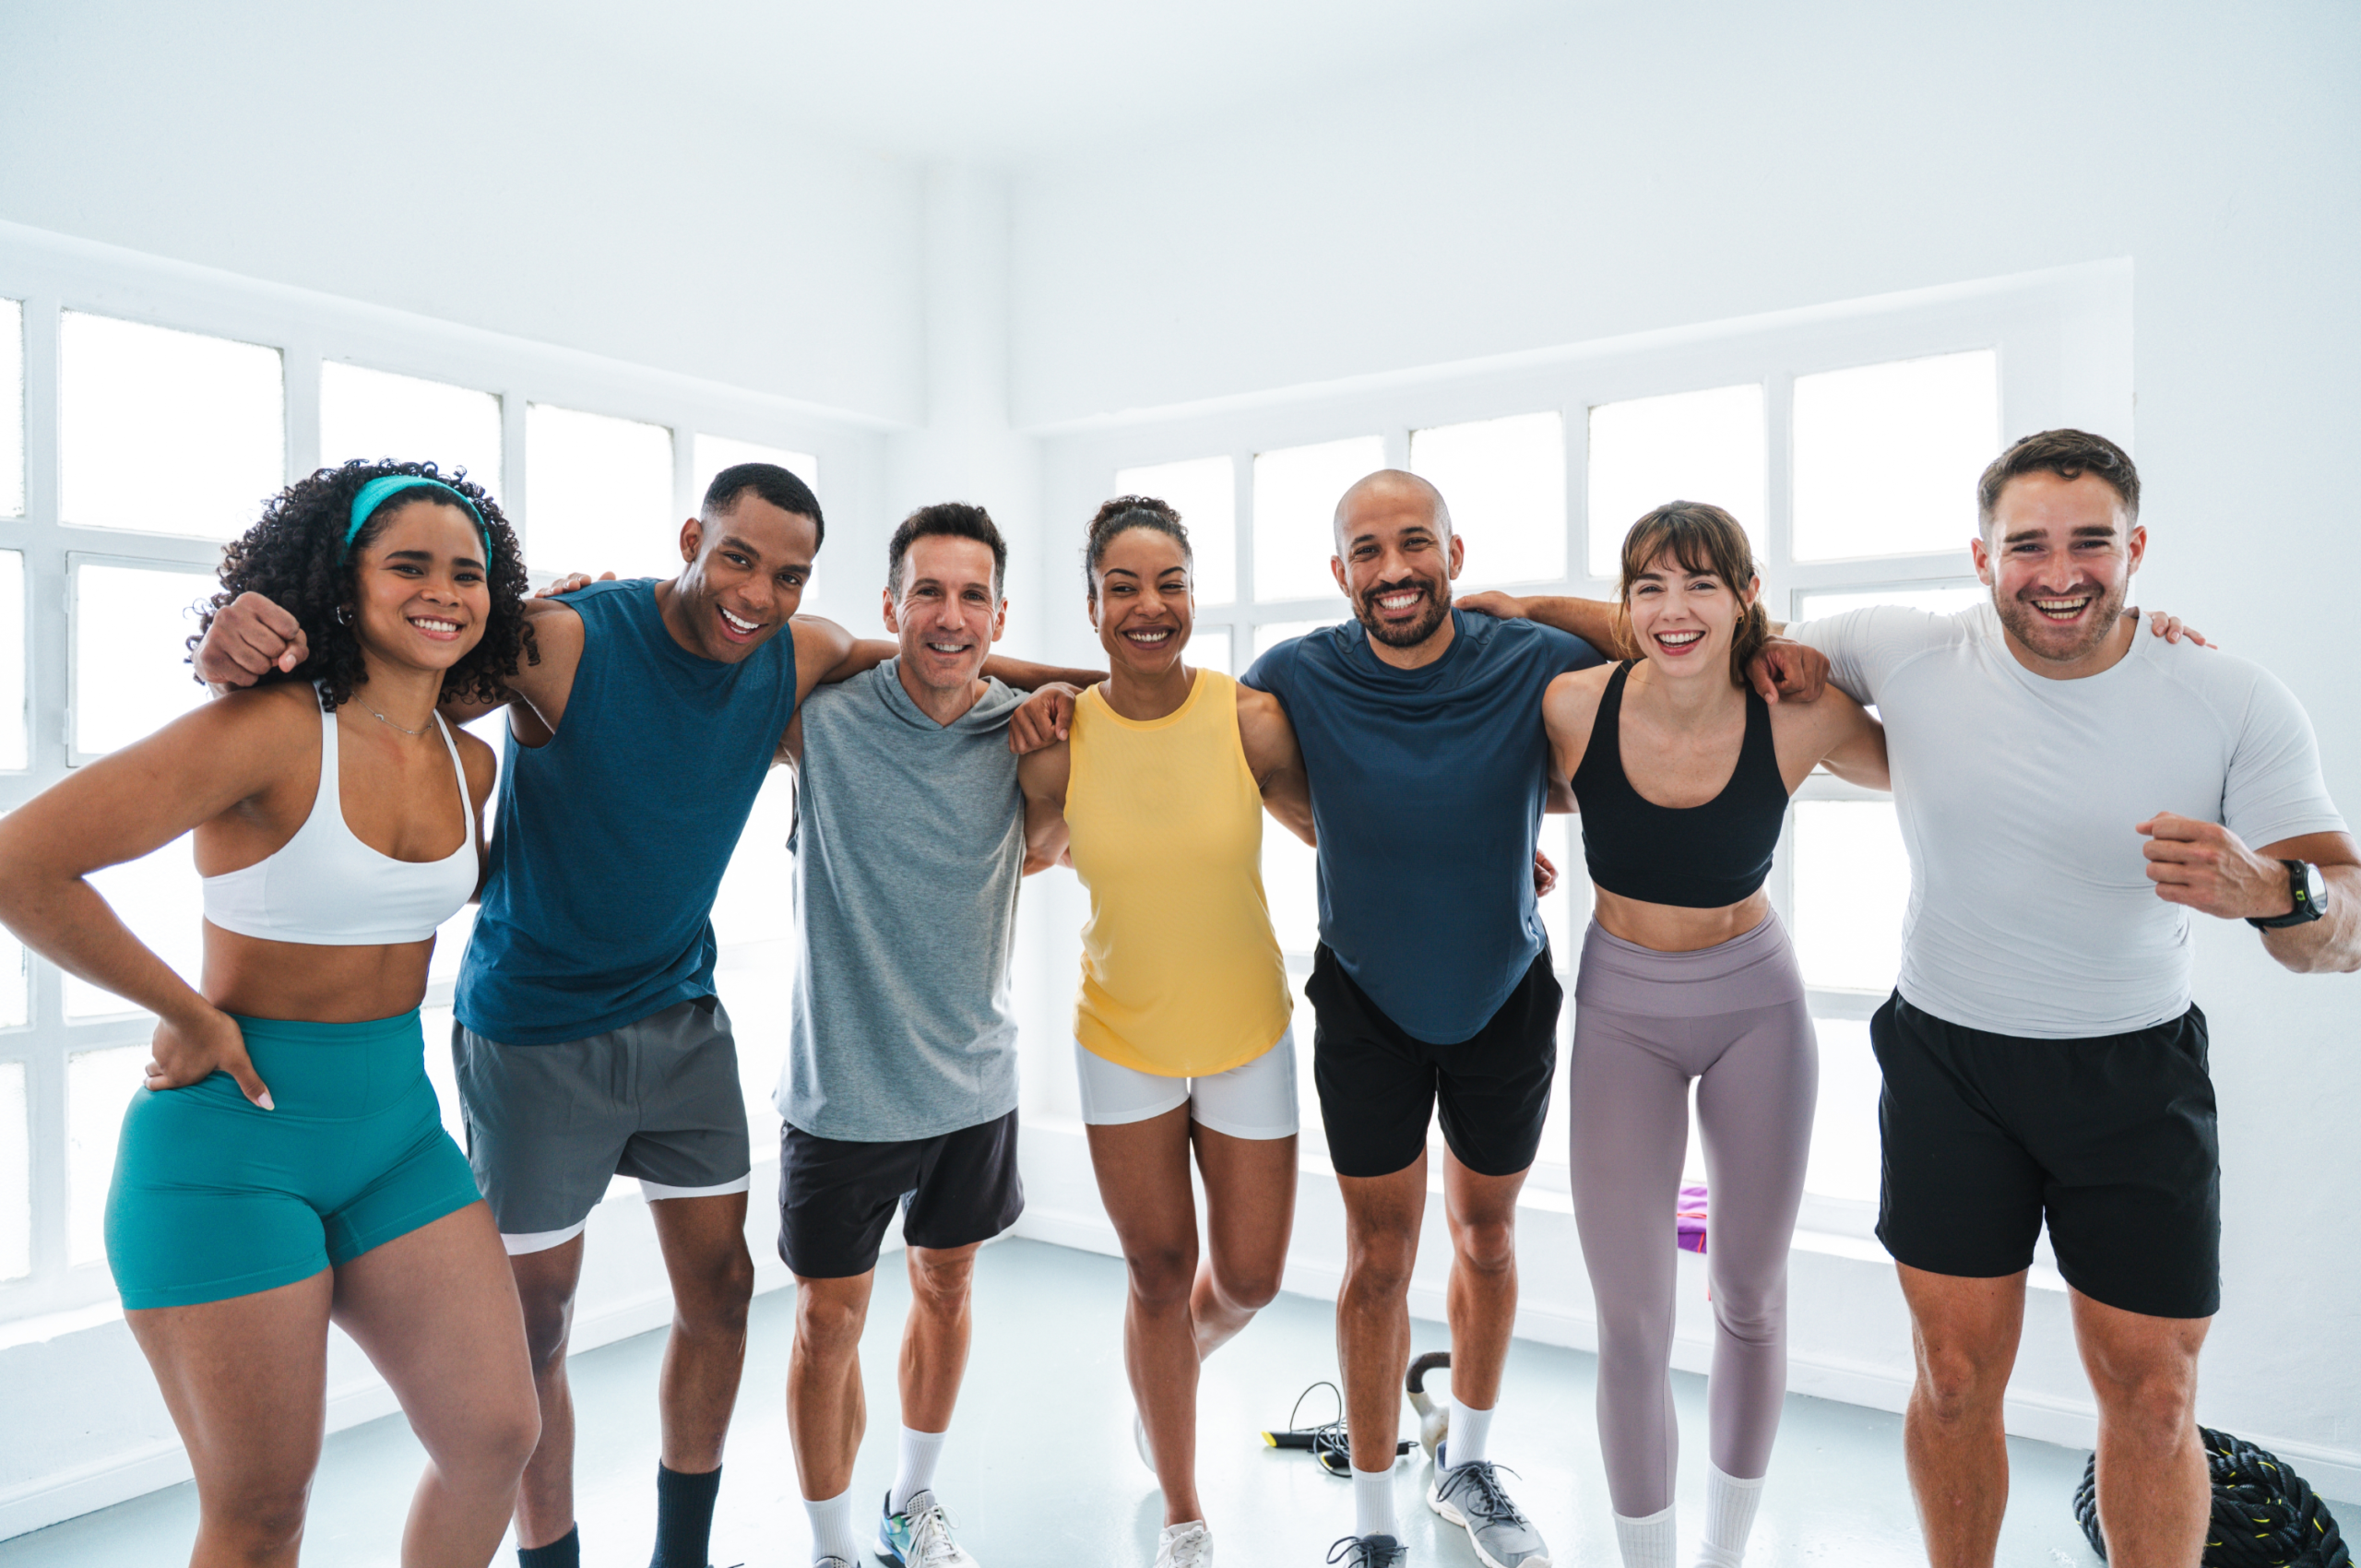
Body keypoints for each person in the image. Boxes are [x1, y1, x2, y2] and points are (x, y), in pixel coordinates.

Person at [1473, 430, 2357, 1568]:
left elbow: (2339, 921)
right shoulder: (1901, 648)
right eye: (2025, 544)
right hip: (1949, 1063)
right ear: (1979, 554)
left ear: (2136, 548)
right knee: (1947, 1377)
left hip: (2131, 1070)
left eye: (2090, 542)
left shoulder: (2229, 694)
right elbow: (1691, 627)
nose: (2056, 571)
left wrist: (2275, 888)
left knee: (2151, 1396)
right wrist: (1502, 601)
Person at [192, 465, 1089, 1568]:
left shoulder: (795, 652)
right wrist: (256, 645)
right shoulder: (568, 639)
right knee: (538, 1328)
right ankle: (552, 1555)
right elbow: (398, 681)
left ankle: (682, 1557)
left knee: (721, 1293)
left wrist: (1125, 681)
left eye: (788, 573)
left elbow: (936, 654)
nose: (757, 593)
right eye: (738, 558)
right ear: (689, 539)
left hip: (679, 1017)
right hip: (531, 1031)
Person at [1204, 470, 1822, 1568]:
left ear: (1452, 551)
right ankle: (1374, 1523)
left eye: (1415, 544)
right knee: (1377, 1256)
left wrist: (1532, 603)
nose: (1392, 569)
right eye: (1366, 551)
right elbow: (1262, 774)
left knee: (1486, 1238)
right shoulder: (1297, 673)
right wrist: (1361, 844)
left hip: (1503, 993)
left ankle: (1469, 1466)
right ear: (1337, 569)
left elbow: (1651, 641)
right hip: (1366, 1001)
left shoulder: (1528, 659)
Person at [0, 464, 540, 1567]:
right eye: (408, 565)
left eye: (467, 572)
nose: (443, 590)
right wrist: (184, 1011)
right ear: (340, 584)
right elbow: (23, 862)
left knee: (495, 1434)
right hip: (227, 1151)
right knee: (260, 1515)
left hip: (394, 1135)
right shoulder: (267, 730)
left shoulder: (470, 758)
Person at [1547, 502, 1882, 1568]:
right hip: (1619, 1012)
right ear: (1624, 604)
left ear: (1745, 594)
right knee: (1633, 1319)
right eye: (1648, 586)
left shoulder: (1802, 711)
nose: (1672, 608)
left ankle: (1725, 1554)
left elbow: (1948, 756)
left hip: (1756, 1010)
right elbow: (1463, 778)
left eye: (1699, 583)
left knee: (1746, 1293)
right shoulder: (1569, 704)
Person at [1011, 496, 1314, 1568]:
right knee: (1154, 1271)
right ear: (1091, 606)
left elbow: (1347, 825)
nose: (1150, 605)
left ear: (1194, 594)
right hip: (1122, 1040)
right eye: (1125, 586)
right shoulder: (1056, 741)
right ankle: (1183, 1503)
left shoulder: (1248, 718)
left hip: (1247, 1033)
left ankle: (1164, 1369)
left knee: (1247, 1277)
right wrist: (1035, 700)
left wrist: (1491, 852)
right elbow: (1025, 852)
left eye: (1170, 582)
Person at [777, 504, 1080, 1568]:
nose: (948, 617)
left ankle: (911, 1501)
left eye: (971, 595)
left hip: (972, 1085)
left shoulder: (1028, 732)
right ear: (891, 605)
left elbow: (1052, 845)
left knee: (947, 1287)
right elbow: (693, 667)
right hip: (843, 1091)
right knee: (827, 1325)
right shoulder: (821, 719)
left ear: (1001, 612)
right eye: (928, 592)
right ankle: (829, 1547)